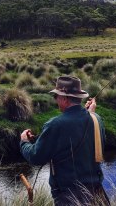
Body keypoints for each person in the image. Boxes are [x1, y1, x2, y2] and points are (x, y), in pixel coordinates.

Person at [20, 76, 109, 205]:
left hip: (69, 197)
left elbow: (35, 157)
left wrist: (24, 142)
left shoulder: (55, 125)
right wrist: (89, 113)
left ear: (65, 99)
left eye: (56, 96)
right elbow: (97, 141)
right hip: (98, 194)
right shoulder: (96, 119)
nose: (56, 100)